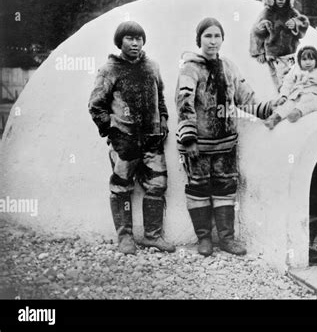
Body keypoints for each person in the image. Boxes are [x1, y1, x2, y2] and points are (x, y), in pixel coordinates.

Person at [176, 17, 274, 257]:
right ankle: (204, 239)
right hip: (198, 145)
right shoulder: (190, 68)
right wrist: (188, 138)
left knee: (225, 188)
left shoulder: (229, 67)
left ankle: (227, 239)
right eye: (207, 36)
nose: (212, 41)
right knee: (199, 189)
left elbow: (246, 99)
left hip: (226, 143)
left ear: (222, 39)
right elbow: (184, 101)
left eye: (216, 36)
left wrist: (271, 108)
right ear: (199, 39)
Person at [88, 21, 175, 255]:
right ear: (120, 42)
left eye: (139, 38)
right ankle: (125, 237)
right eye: (129, 38)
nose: (135, 43)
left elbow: (161, 99)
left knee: (157, 185)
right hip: (125, 143)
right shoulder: (110, 69)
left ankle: (152, 235)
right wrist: (113, 132)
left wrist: (163, 120)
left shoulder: (152, 67)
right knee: (121, 188)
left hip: (152, 141)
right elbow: (96, 105)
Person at [249, 0, 309, 90]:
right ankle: (282, 98)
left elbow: (304, 23)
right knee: (279, 83)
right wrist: (259, 52)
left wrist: (296, 23)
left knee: (293, 80)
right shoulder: (267, 13)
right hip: (274, 56)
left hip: (291, 54)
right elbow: (255, 32)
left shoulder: (291, 12)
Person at [264, 45, 317, 129]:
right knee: (288, 104)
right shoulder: (296, 69)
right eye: (304, 59)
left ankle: (297, 112)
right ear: (299, 60)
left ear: (316, 60)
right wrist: (284, 95)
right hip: (296, 95)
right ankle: (275, 117)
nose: (308, 62)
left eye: (311, 59)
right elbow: (288, 83)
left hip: (314, 96)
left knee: (307, 103)